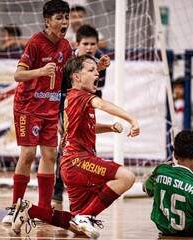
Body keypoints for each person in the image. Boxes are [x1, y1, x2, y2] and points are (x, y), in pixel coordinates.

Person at [11, 55, 139, 239]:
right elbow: (102, 104)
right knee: (127, 177)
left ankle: (29, 210)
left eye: (97, 70)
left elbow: (83, 128)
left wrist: (109, 128)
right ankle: (85, 217)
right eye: (91, 70)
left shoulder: (73, 98)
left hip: (70, 164)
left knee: (76, 223)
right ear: (76, 78)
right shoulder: (82, 96)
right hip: (78, 160)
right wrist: (132, 120)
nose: (97, 73)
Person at [2, 0, 72, 224]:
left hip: (51, 108)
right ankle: (14, 207)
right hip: (28, 107)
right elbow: (17, 75)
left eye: (66, 17)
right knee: (29, 154)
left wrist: (96, 67)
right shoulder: (35, 42)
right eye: (59, 18)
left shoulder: (66, 46)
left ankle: (43, 210)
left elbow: (69, 76)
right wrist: (40, 71)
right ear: (47, 21)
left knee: (50, 155)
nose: (64, 22)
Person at [51, 25, 110, 209]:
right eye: (86, 43)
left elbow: (95, 89)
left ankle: (88, 192)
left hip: (85, 108)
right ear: (78, 43)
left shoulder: (97, 63)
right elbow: (61, 90)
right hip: (67, 109)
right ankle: (57, 194)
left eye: (93, 44)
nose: (90, 47)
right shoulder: (69, 60)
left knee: (88, 147)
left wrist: (99, 69)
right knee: (66, 149)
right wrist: (59, 116)